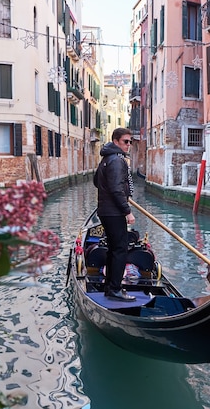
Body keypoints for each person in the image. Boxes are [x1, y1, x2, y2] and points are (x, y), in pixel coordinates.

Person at [93, 127, 136, 301]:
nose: (128, 145)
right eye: (126, 141)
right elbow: (116, 188)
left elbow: (97, 181)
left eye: (130, 142)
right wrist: (127, 211)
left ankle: (109, 287)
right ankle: (115, 289)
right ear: (116, 141)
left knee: (113, 249)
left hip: (105, 211)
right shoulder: (117, 161)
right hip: (114, 212)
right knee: (120, 249)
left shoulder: (105, 158)